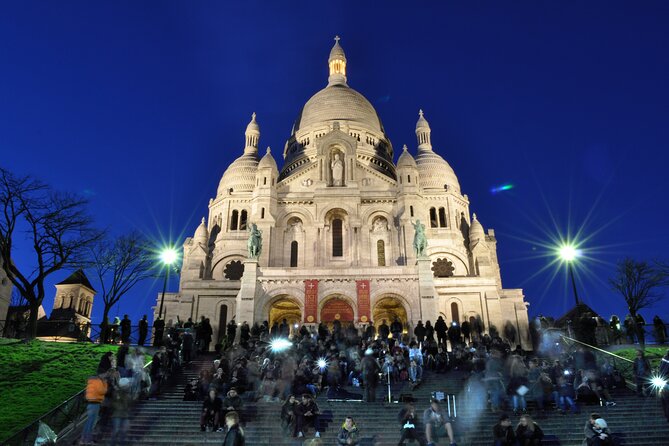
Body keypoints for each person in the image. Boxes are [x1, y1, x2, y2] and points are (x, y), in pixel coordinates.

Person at [81, 371, 108, 445]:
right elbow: (102, 391)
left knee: (89, 422)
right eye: (105, 374)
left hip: (91, 403)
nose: (106, 376)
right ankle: (87, 440)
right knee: (91, 423)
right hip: (95, 403)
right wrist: (105, 383)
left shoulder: (92, 381)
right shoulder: (98, 381)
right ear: (102, 374)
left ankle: (83, 439)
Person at [110, 377, 132, 446]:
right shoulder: (117, 393)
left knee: (124, 431)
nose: (129, 385)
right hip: (117, 414)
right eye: (128, 384)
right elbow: (114, 403)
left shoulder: (127, 393)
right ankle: (113, 444)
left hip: (125, 414)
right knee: (116, 430)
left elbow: (129, 403)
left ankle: (121, 443)